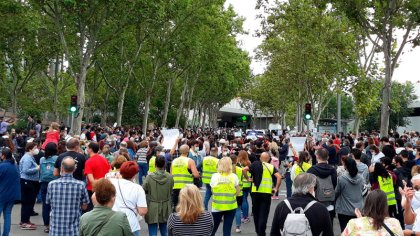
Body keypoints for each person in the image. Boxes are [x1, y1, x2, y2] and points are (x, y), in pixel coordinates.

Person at [47, 156, 90, 235]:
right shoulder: (81, 185)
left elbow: (48, 202)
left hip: (55, 230)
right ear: (74, 169)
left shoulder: (51, 184)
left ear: (61, 168)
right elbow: (85, 206)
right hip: (73, 230)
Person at [243, 152, 281, 236]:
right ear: (268, 159)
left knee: (256, 213)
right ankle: (261, 232)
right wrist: (276, 188)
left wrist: (248, 178)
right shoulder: (271, 167)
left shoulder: (254, 164)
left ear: (260, 158)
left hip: (255, 193)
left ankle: (258, 231)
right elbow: (279, 176)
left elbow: (244, 169)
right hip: (266, 193)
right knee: (264, 213)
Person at [110, 161, 148, 236]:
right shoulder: (138, 188)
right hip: (131, 224)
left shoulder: (112, 182)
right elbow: (142, 211)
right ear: (134, 175)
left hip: (113, 222)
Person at [143, 156, 174, 236]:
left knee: (153, 232)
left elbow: (144, 189)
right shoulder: (170, 177)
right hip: (166, 206)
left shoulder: (149, 177)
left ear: (155, 164)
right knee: (165, 232)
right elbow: (171, 189)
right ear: (164, 164)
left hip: (152, 206)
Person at [210, 157, 240, 236]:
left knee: (213, 229)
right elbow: (238, 192)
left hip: (217, 207)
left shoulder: (214, 176)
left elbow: (212, 191)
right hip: (230, 206)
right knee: (227, 230)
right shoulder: (234, 176)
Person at [307, 148, 337, 224]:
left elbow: (308, 187)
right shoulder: (333, 170)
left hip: (315, 203)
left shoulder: (311, 170)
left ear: (317, 157)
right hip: (330, 202)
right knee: (329, 227)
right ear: (328, 157)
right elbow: (335, 184)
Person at [335, 157, 365, 232]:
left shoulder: (341, 179)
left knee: (345, 231)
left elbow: (337, 192)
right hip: (358, 210)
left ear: (345, 166)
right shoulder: (361, 178)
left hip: (344, 210)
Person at [170, 144, 200, 210]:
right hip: (187, 187)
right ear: (188, 151)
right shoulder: (190, 161)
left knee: (176, 206)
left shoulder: (174, 161)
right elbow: (195, 175)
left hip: (175, 187)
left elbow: (171, 175)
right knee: (187, 206)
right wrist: (197, 174)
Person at [84, 142, 111, 211]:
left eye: (87, 148)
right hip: (104, 188)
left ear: (90, 149)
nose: (86, 149)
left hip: (93, 189)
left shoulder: (89, 162)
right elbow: (110, 173)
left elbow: (91, 180)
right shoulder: (104, 159)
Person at [19, 142, 40, 230]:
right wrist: (36, 168)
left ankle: (26, 220)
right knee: (27, 202)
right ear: (30, 149)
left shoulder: (30, 157)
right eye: (35, 147)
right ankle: (24, 222)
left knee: (29, 202)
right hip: (27, 182)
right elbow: (26, 170)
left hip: (30, 182)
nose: (37, 149)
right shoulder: (27, 158)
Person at [0, 148, 20, 236]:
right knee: (7, 215)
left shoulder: (2, 166)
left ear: (3, 156)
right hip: (12, 195)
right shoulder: (15, 166)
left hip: (2, 194)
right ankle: (6, 234)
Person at [39, 142, 59, 233]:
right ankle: (55, 223)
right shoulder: (57, 158)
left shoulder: (42, 159)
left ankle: (47, 225)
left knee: (45, 205)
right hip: (54, 182)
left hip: (44, 183)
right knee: (55, 204)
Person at [238, 150, 252, 224]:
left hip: (241, 183)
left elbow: (243, 171)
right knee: (245, 200)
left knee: (242, 200)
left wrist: (246, 177)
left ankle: (244, 216)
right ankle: (245, 216)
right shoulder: (249, 163)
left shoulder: (238, 164)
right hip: (248, 184)